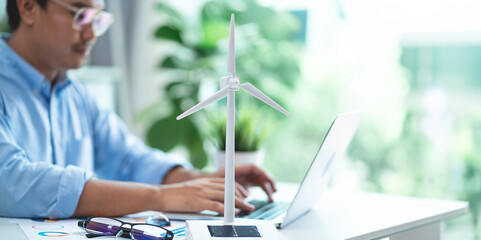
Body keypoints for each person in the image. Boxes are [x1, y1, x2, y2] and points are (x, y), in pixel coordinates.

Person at [0, 0, 277, 219]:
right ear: (28, 7)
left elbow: (128, 159)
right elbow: (10, 180)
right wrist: (160, 196)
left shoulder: (76, 94)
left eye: (98, 19)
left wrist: (200, 181)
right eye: (81, 14)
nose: (91, 33)